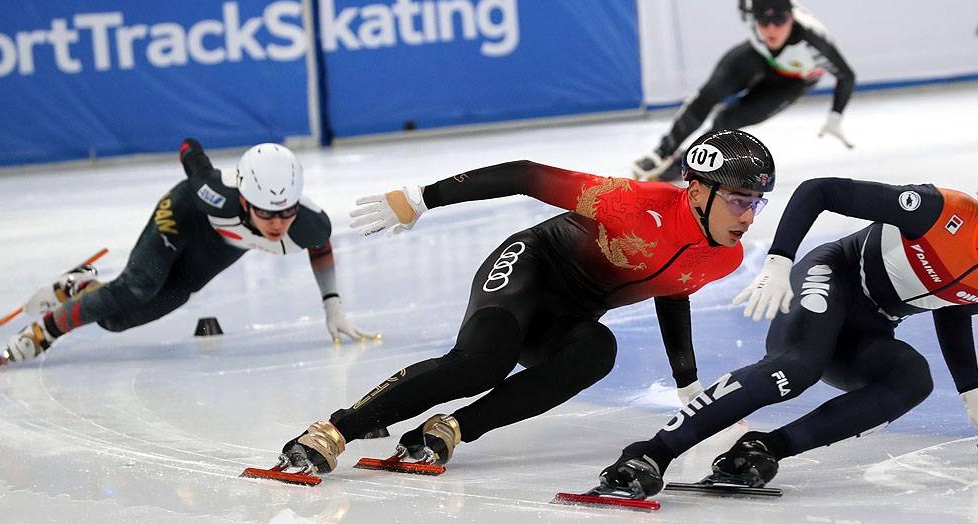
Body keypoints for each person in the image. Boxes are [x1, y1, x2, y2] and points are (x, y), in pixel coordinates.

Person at [599, 139, 978, 498]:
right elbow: (820, 190)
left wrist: (975, 397)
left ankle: (763, 449)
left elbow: (954, 305)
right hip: (830, 277)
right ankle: (650, 453)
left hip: (870, 327)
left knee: (912, 379)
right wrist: (780, 261)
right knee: (797, 368)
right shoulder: (940, 211)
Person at [277, 130, 777, 476]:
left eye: (758, 202)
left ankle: (451, 429)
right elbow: (526, 174)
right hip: (529, 269)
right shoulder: (633, 201)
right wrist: (422, 197)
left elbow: (674, 292)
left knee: (597, 351)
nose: (748, 216)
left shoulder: (726, 257)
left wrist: (687, 382)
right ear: (696, 191)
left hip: (567, 316)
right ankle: (335, 430)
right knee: (481, 365)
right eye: (738, 199)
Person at [0, 138, 374, 371]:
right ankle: (43, 332)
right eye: (266, 213)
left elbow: (320, 249)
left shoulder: (310, 223)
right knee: (137, 287)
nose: (277, 224)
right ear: (243, 199)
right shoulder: (214, 193)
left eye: (286, 212)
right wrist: (43, 333)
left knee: (117, 320)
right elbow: (190, 149)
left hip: (218, 248)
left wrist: (332, 306)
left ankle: (81, 287)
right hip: (181, 215)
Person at [633, 0, 856, 182]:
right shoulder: (749, 7)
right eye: (763, 22)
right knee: (708, 95)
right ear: (754, 15)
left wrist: (835, 117)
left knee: (728, 120)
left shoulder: (814, 41)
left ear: (792, 16)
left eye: (779, 21)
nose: (771, 29)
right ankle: (662, 152)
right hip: (757, 56)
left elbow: (846, 76)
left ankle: (689, 160)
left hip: (792, 79)